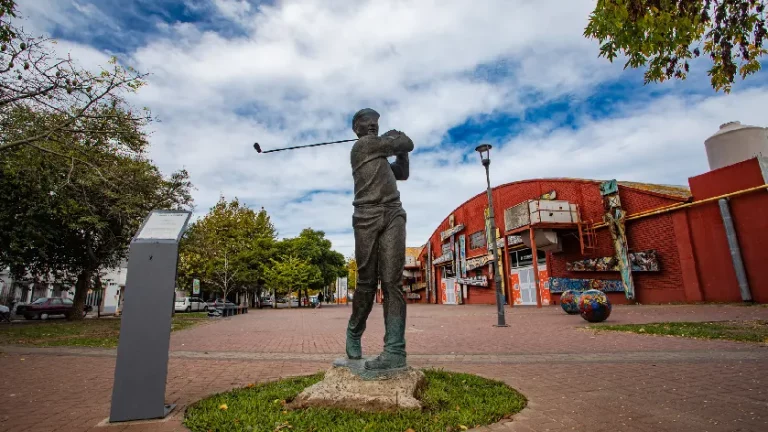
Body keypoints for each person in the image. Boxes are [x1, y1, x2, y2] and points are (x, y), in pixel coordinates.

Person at [345, 108, 414, 371]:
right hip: (366, 216)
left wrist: (401, 151)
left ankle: (395, 351)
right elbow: (406, 141)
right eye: (366, 121)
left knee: (392, 282)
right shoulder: (363, 147)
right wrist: (398, 138)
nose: (372, 124)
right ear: (357, 129)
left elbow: (402, 172)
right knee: (366, 283)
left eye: (376, 121)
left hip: (393, 213)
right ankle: (354, 332)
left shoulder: (380, 156)